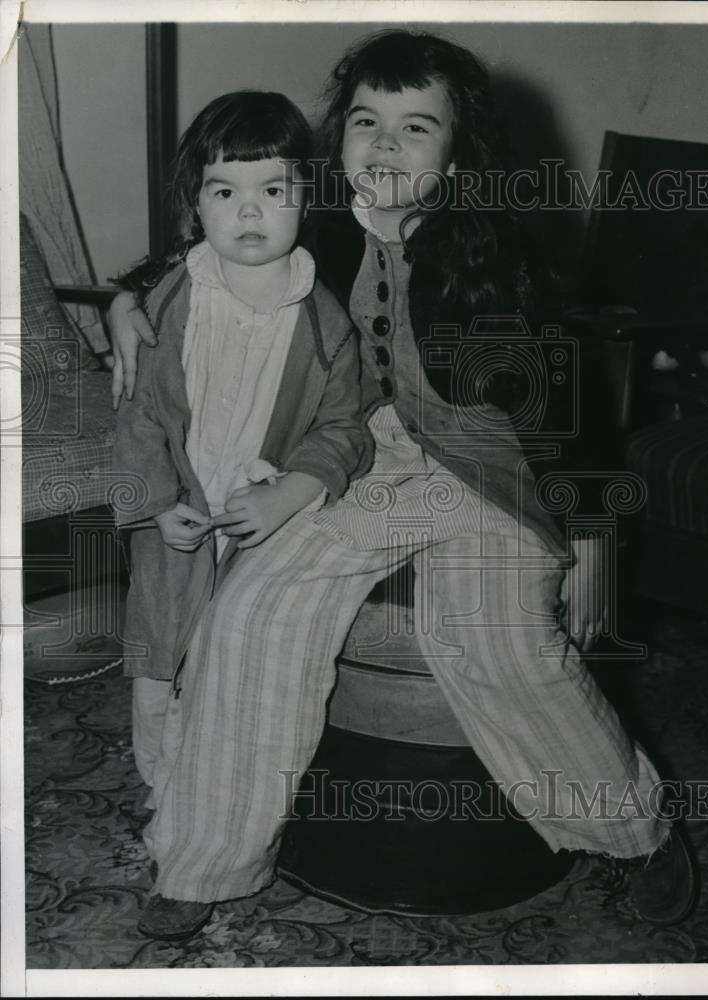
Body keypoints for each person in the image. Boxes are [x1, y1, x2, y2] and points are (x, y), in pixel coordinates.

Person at [110, 31, 697, 941]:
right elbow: (222, 243)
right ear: (335, 139)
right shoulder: (324, 231)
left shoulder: (495, 256)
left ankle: (634, 831)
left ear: (457, 157)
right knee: (255, 607)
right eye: (365, 122)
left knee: (486, 631)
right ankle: (203, 860)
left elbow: (573, 417)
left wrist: (592, 542)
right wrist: (128, 295)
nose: (383, 145)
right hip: (376, 457)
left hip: (495, 466)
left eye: (414, 127)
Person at [111, 90, 368, 937]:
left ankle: (209, 832)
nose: (249, 211)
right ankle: (166, 810)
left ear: (307, 196)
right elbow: (143, 413)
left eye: (273, 190)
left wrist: (292, 489)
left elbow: (343, 430)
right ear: (196, 204)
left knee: (228, 677)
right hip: (177, 525)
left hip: (261, 529)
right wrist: (154, 504)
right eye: (226, 192)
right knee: (157, 673)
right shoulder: (172, 298)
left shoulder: (324, 319)